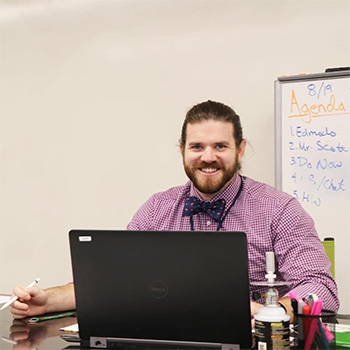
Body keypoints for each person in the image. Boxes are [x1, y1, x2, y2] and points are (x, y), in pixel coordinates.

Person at [9, 100, 339, 322]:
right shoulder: (157, 208)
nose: (207, 157)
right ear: (182, 150)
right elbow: (112, 281)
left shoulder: (279, 209)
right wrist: (46, 301)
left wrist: (271, 311)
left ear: (240, 149)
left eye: (220, 146)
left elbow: (321, 287)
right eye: (197, 146)